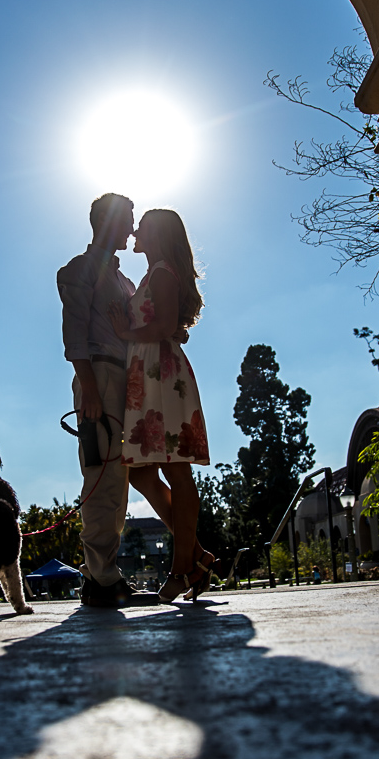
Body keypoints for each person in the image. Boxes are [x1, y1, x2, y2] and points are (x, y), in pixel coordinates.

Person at [108, 208, 214, 603]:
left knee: (177, 470)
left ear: (160, 235)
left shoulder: (165, 271)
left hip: (163, 376)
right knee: (142, 474)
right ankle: (197, 555)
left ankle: (182, 566)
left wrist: (125, 330)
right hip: (148, 377)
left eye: (144, 226)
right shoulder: (154, 274)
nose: (136, 230)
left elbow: (167, 326)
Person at [57, 193, 137, 608]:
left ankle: (103, 574)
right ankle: (102, 579)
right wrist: (87, 385)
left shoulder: (123, 280)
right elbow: (74, 329)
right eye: (127, 219)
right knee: (101, 475)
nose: (132, 228)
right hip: (100, 377)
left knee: (116, 480)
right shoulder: (80, 269)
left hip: (123, 380)